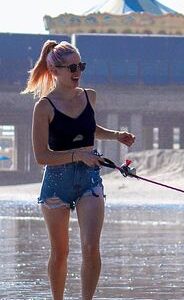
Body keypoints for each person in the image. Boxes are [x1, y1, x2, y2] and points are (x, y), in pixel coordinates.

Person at [22, 40, 135, 300]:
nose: (77, 72)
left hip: (89, 179)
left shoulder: (89, 96)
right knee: (60, 253)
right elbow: (41, 156)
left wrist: (116, 135)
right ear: (55, 71)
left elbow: (88, 128)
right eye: (71, 67)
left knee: (90, 247)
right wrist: (77, 155)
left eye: (80, 66)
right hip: (56, 182)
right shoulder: (44, 107)